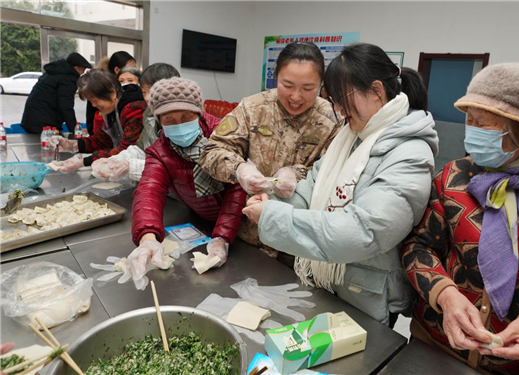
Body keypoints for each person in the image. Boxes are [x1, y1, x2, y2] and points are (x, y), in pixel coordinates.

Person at [242, 43, 439, 327]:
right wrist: (271, 203)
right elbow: (311, 188)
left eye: (341, 99)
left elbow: (364, 231)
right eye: (333, 100)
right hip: (325, 281)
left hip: (367, 296)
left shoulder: (410, 153)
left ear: (376, 91)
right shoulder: (351, 136)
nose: (337, 109)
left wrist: (273, 217)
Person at [402, 63, 519, 374]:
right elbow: (419, 245)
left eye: (484, 125)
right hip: (433, 346)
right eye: (469, 120)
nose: (471, 131)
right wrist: (445, 295)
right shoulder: (454, 177)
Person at [199, 41, 342, 267]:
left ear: (321, 85)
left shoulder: (333, 120)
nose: (296, 96)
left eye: (307, 88)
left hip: (296, 245)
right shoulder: (253, 107)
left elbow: (334, 173)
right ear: (276, 78)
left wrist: (297, 175)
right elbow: (211, 151)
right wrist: (239, 169)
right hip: (246, 234)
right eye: (288, 85)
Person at [131, 77, 246, 276]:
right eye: (170, 120)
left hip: (244, 223)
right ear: (160, 122)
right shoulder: (160, 152)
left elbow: (236, 187)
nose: (180, 125)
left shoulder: (223, 135)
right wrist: (147, 238)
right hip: (204, 222)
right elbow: (149, 191)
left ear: (199, 114)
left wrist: (222, 239)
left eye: (186, 117)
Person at [91, 63, 180, 181]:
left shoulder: (183, 120)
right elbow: (140, 149)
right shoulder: (149, 114)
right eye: (144, 92)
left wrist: (131, 167)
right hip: (156, 187)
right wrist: (116, 160)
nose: (147, 97)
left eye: (153, 91)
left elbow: (176, 168)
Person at [48, 69, 145, 172]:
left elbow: (126, 150)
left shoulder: (134, 109)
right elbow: (102, 140)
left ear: (112, 93)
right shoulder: (111, 107)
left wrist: (83, 162)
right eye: (90, 101)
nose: (93, 105)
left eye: (95, 100)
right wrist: (72, 144)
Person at [21, 52, 92, 134]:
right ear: (76, 68)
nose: (82, 73)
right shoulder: (68, 78)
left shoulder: (54, 72)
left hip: (32, 118)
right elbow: (65, 107)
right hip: (43, 122)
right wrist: (75, 130)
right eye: (82, 70)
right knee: (46, 145)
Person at [86, 52, 136, 135]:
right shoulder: (101, 89)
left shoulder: (132, 95)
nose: (134, 72)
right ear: (117, 70)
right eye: (131, 68)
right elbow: (92, 122)